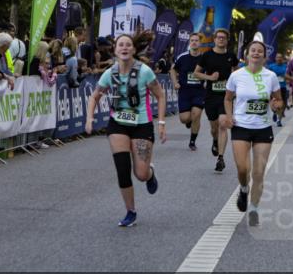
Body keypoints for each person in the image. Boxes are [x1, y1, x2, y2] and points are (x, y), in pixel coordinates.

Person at [85, 31, 166, 228]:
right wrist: (89, 118)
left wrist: (161, 123)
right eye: (120, 45)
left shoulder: (145, 71)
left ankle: (149, 173)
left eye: (128, 45)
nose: (124, 48)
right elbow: (94, 96)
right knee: (123, 169)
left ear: (134, 50)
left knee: (140, 174)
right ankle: (131, 211)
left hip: (141, 124)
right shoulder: (109, 73)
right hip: (117, 124)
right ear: (115, 50)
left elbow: (160, 96)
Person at [221, 40, 284, 226]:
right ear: (247, 54)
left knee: (258, 173)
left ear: (265, 57)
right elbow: (227, 98)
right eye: (253, 51)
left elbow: (279, 101)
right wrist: (229, 115)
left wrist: (276, 106)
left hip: (263, 128)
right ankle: (243, 189)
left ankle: (254, 209)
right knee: (243, 168)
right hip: (241, 126)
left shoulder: (270, 76)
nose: (256, 53)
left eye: (260, 51)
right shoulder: (236, 75)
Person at [194, 28, 239, 172]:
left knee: (223, 124)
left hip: (226, 97)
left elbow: (238, 73)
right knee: (214, 127)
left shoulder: (231, 56)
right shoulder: (207, 55)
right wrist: (209, 78)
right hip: (210, 96)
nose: (221, 40)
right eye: (218, 37)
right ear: (214, 39)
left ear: (227, 40)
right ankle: (215, 140)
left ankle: (221, 158)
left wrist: (234, 82)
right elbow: (196, 73)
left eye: (223, 38)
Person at [171, 32, 206, 150]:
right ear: (189, 43)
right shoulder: (182, 57)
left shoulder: (204, 58)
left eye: (196, 40)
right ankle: (188, 121)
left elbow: (210, 72)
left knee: (196, 115)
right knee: (184, 119)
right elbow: (172, 70)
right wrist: (175, 82)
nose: (194, 42)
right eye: (192, 40)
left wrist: (207, 81)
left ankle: (192, 141)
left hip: (199, 91)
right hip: (184, 92)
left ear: (200, 43)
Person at [267, 52, 289, 128]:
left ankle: (279, 120)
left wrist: (287, 78)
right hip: (273, 88)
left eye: (280, 57)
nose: (279, 59)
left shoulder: (286, 67)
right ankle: (274, 112)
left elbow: (289, 76)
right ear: (275, 58)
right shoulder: (271, 66)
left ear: (282, 59)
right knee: (272, 103)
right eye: (277, 57)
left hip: (282, 87)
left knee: (283, 104)